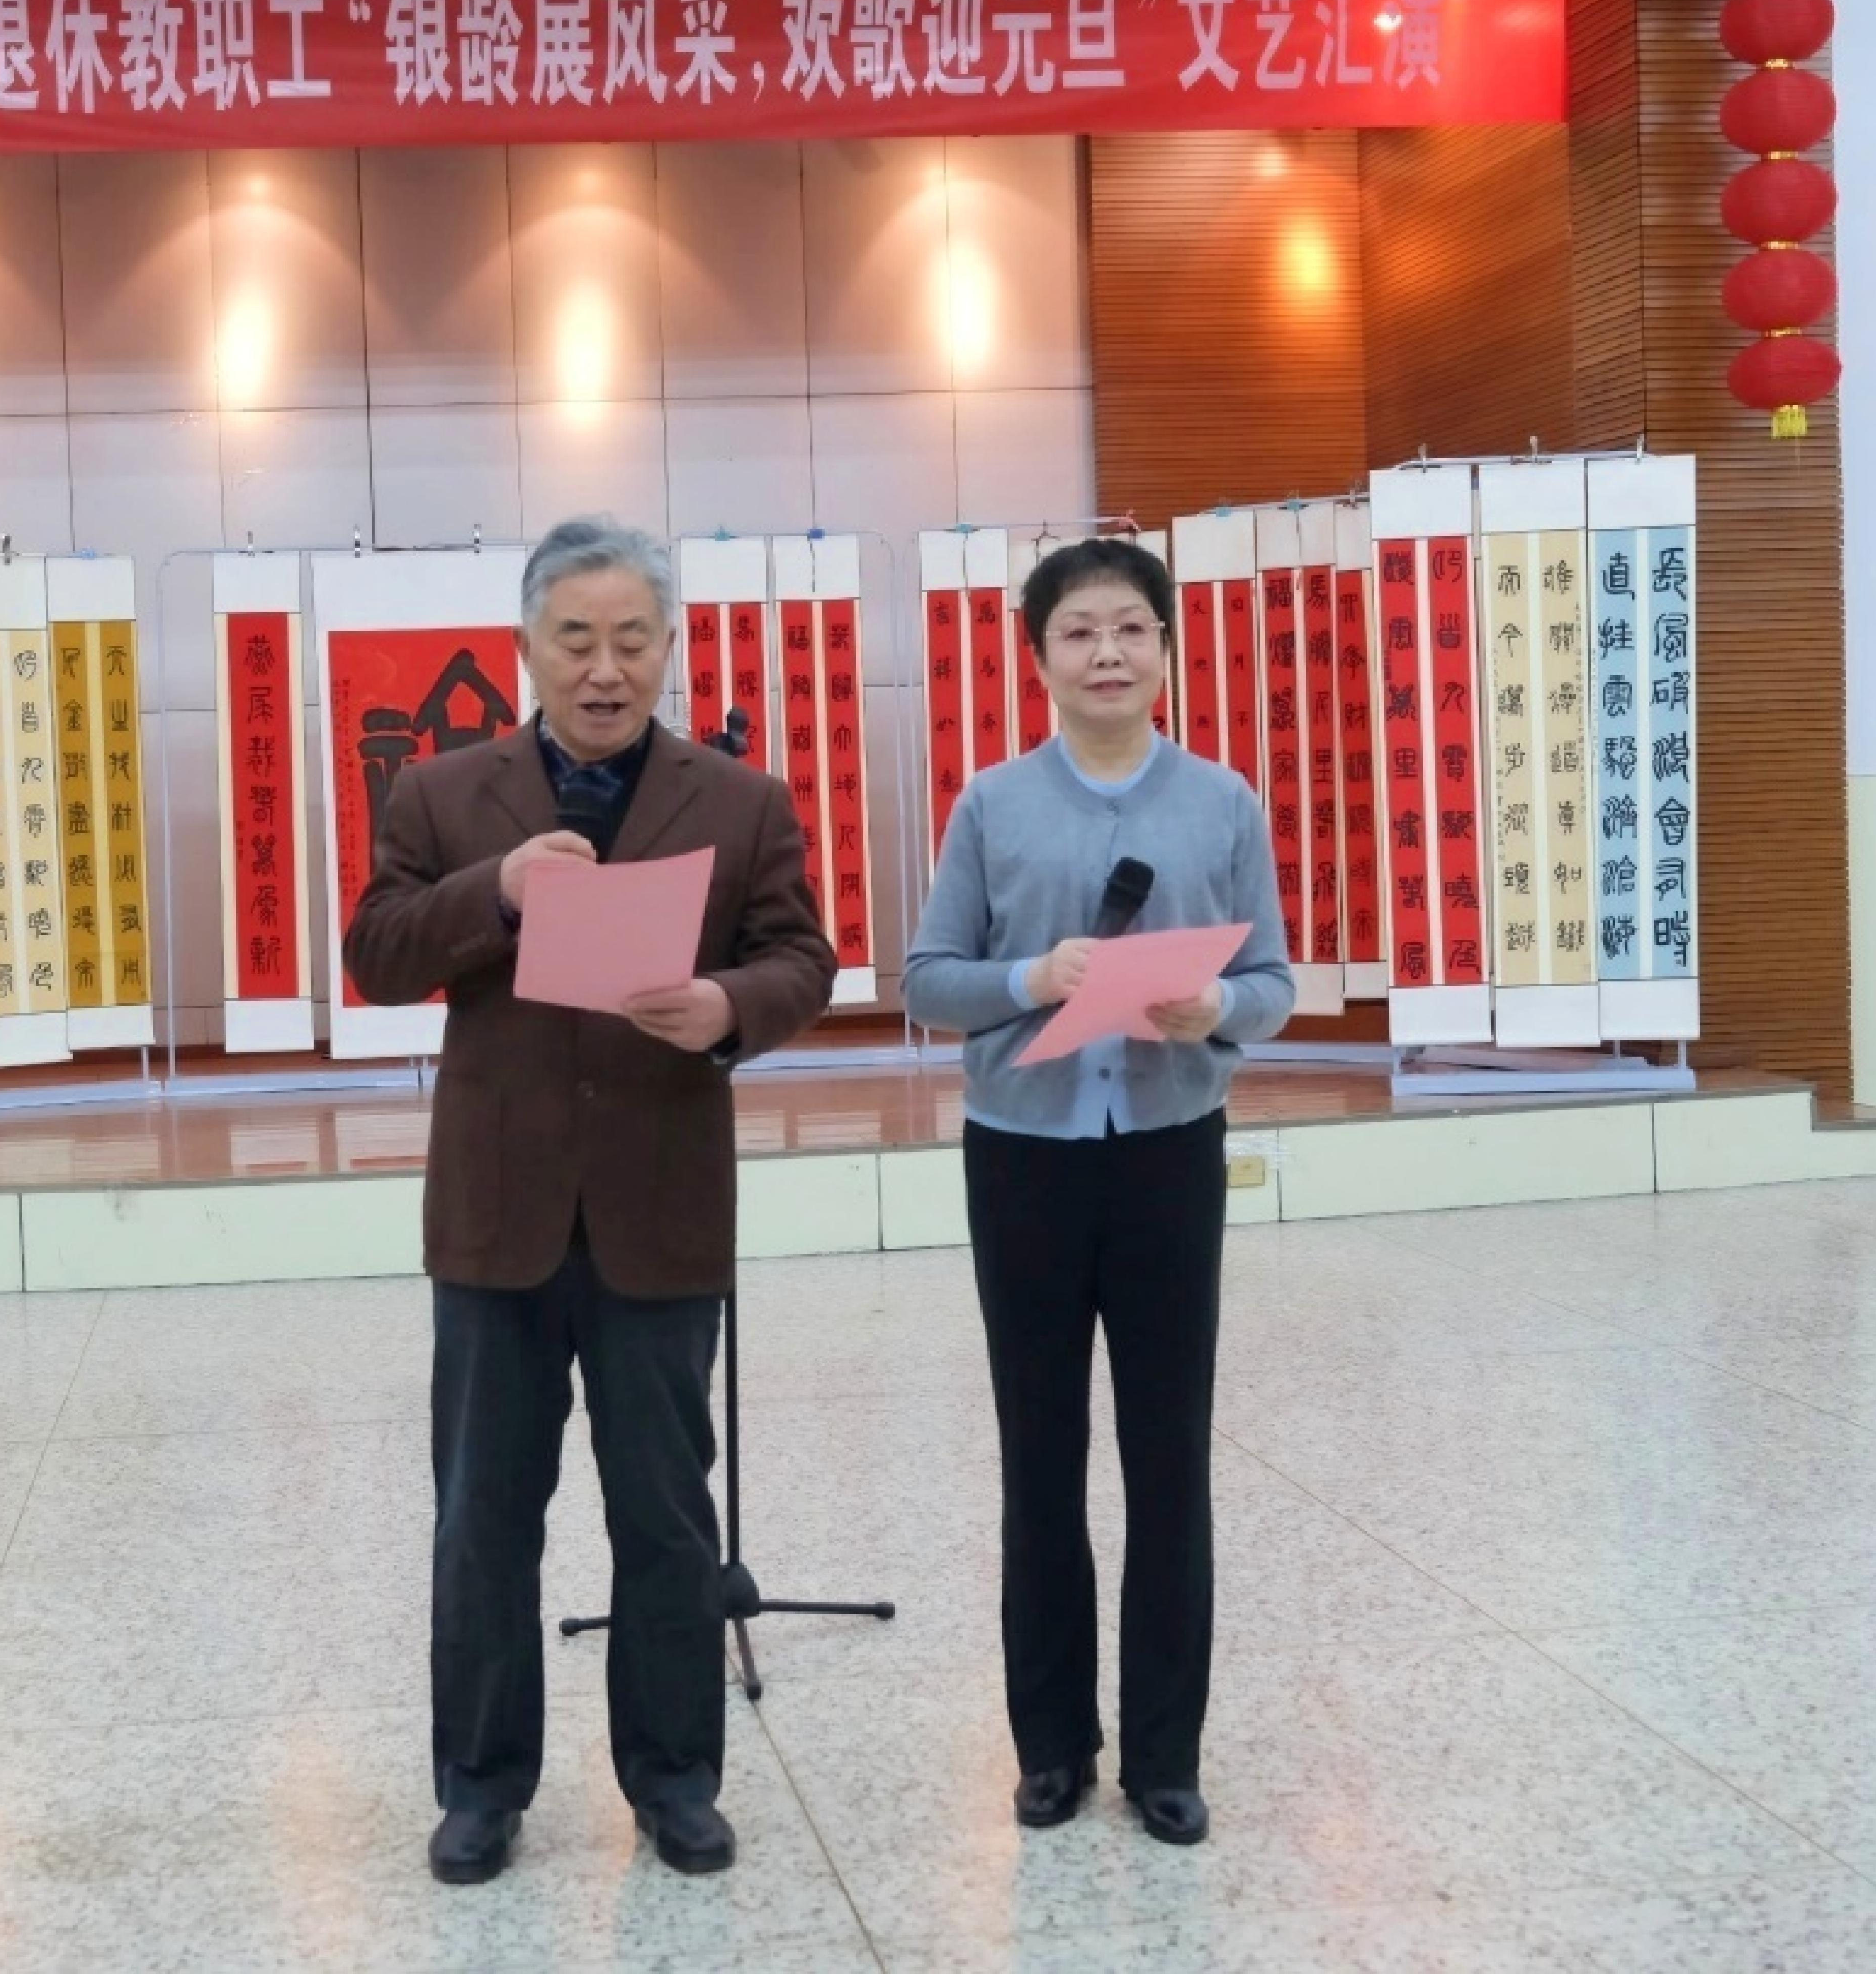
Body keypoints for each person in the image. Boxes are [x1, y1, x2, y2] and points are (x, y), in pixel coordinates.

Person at [343, 516, 837, 1887]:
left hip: (660, 1211)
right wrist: (496, 892)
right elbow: (376, 954)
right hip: (497, 1216)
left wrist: (728, 1006)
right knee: (483, 1517)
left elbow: (803, 958)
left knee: (666, 1515)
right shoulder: (445, 795)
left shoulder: (740, 800)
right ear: (528, 646)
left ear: (669, 646)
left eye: (632, 640)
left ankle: (675, 1779)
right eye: (576, 639)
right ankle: (481, 1786)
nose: (605, 669)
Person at [901, 537, 1293, 1847]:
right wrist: (1035, 978)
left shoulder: (1222, 801)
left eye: (1131, 627)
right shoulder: (993, 804)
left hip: (1169, 1151)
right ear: (1041, 658)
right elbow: (928, 980)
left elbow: (1276, 983)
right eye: (1078, 631)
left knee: (1170, 1455)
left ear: (1167, 649)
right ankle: (1053, 1746)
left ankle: (1167, 1754)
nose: (1108, 652)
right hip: (1024, 1159)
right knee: (1041, 1454)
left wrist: (1217, 1003)